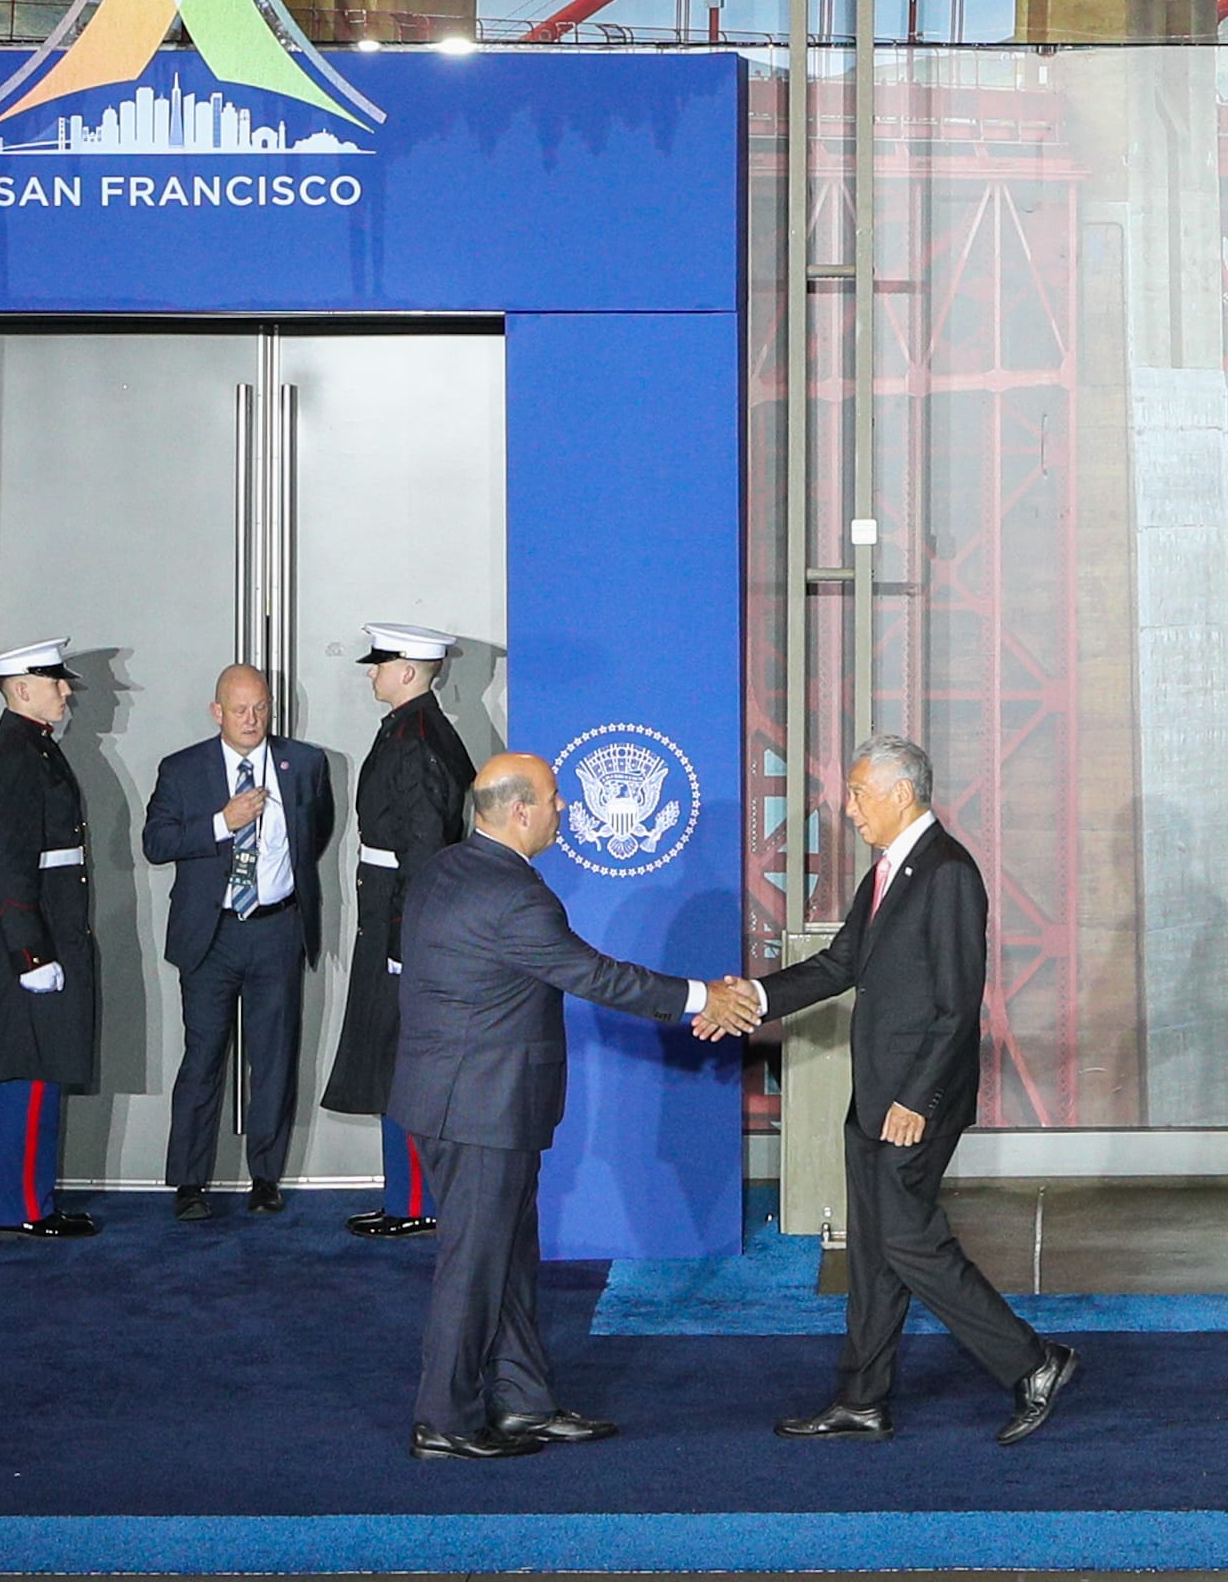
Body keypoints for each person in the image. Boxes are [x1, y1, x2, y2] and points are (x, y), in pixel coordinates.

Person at [695, 738, 1078, 1444]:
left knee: (909, 1241)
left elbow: (958, 1006)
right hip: (875, 1095)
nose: (848, 808)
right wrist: (751, 996)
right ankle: (861, 1399)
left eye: (857, 794)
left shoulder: (948, 873)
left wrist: (915, 1102)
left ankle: (1035, 1362)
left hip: (912, 1104)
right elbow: (842, 964)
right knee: (872, 1249)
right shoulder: (889, 871)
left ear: (901, 793)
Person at [390, 752, 708, 1458]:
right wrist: (703, 998)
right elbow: (596, 976)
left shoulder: (444, 869)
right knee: (475, 1267)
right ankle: (442, 1421)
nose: (565, 810)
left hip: (457, 1100)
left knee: (505, 1257)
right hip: (481, 1108)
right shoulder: (516, 897)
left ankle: (523, 1404)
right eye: (557, 799)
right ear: (520, 811)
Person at [142, 664, 333, 1221]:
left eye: (262, 708)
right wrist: (222, 823)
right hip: (212, 934)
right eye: (241, 710)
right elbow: (156, 842)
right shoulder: (183, 769)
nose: (253, 720)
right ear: (217, 712)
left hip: (277, 929)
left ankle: (265, 1179)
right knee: (203, 1059)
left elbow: (313, 834)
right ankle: (189, 1184)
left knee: (274, 1060)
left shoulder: (306, 764)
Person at [324, 623, 482, 1239]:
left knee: (405, 1057)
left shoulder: (416, 740)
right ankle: (406, 1195)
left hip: (400, 915)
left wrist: (403, 941)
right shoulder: (412, 729)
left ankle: (415, 1199)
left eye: (380, 664)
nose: (372, 673)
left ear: (409, 672)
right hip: (393, 910)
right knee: (396, 1055)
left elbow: (422, 850)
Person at [0, 637, 104, 1241]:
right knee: (26, 1071)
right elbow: (8, 866)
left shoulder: (36, 749)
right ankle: (18, 1205)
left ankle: (35, 1198)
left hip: (51, 932)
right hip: (32, 942)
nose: (66, 690)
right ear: (23, 689)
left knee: (44, 1067)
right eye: (56, 682)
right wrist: (31, 953)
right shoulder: (16, 758)